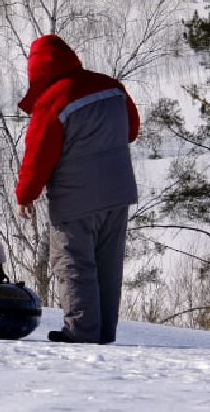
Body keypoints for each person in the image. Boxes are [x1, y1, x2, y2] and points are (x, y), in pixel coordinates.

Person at [14, 34, 140, 345]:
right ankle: (104, 334)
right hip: (118, 193)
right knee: (108, 267)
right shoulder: (112, 87)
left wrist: (25, 195)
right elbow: (132, 129)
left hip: (76, 199)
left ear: (36, 72)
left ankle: (81, 335)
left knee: (73, 263)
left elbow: (38, 156)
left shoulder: (52, 102)